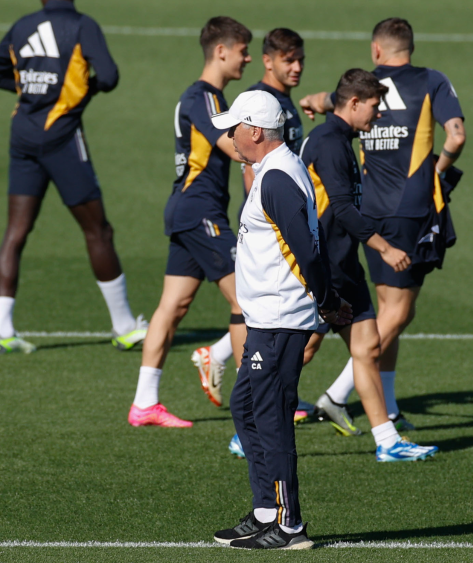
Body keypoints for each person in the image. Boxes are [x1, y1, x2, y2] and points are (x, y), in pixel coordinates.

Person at [230, 70, 438, 462]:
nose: (377, 116)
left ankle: (386, 440)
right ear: (354, 103)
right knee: (302, 350)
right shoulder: (329, 143)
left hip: (345, 262)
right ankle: (248, 428)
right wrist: (384, 248)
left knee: (367, 346)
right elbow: (341, 210)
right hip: (327, 266)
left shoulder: (341, 138)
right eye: (374, 108)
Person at [299, 18, 466, 430]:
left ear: (377, 50)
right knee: (396, 312)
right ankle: (337, 395)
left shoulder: (362, 90)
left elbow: (323, 100)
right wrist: (437, 173)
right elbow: (457, 135)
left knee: (390, 312)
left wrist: (312, 100)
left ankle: (387, 409)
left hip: (366, 210)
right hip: (408, 208)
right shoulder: (431, 81)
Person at [210, 90, 350, 550]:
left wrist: (327, 303)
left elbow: (308, 250)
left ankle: (289, 527)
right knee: (247, 409)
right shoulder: (273, 172)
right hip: (267, 320)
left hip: (281, 320)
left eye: (234, 128)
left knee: (269, 417)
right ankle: (266, 511)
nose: (229, 136)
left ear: (254, 131)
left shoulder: (277, 179)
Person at [0, 0, 147, 355]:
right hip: (61, 138)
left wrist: (34, 91)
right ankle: (123, 327)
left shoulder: (23, 24)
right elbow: (109, 76)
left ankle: (2, 330)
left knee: (16, 230)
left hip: (22, 135)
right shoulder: (82, 26)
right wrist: (76, 91)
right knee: (97, 229)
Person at [127, 16, 252, 429]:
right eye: (243, 51)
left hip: (186, 209)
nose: (247, 59)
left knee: (172, 307)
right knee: (246, 300)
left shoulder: (200, 97)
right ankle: (254, 401)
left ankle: (145, 403)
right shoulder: (206, 98)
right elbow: (232, 147)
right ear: (221, 51)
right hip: (201, 213)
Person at [192, 28, 311, 414]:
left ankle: (242, 377)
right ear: (268, 60)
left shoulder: (285, 105)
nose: (296, 67)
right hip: (271, 227)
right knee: (262, 310)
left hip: (280, 220)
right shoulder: (260, 105)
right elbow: (252, 164)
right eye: (288, 60)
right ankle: (260, 399)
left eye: (300, 60)